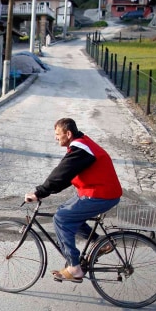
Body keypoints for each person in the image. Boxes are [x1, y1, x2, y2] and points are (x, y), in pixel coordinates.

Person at [24, 117, 122, 284]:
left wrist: (39, 193)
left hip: (100, 194)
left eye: (57, 134)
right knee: (65, 211)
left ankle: (74, 268)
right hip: (95, 191)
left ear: (68, 134)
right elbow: (66, 176)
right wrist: (45, 191)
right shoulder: (81, 145)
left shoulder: (81, 149)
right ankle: (101, 243)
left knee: (62, 219)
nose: (55, 138)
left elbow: (61, 174)